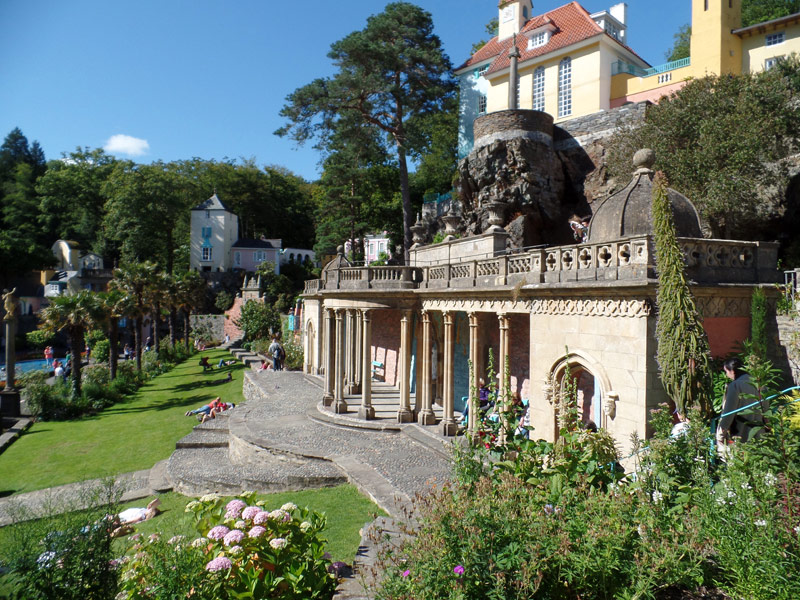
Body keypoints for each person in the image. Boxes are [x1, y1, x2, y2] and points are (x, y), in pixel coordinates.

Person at [718, 358, 767, 443]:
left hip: (741, 432)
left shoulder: (735, 385)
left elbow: (729, 411)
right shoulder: (761, 385)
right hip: (760, 432)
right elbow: (766, 410)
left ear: (732, 371)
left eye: (726, 371)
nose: (726, 375)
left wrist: (722, 430)